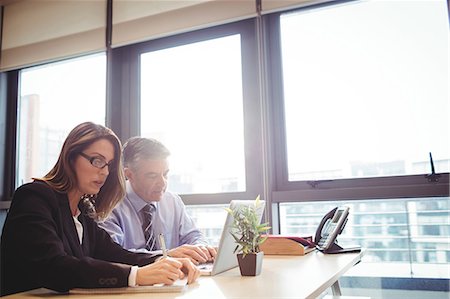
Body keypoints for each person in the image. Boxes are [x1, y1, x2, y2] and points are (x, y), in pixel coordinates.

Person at [0, 122, 199, 296]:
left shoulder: (83, 210)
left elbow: (116, 254)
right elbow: (54, 266)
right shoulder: (34, 197)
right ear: (70, 157)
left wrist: (166, 259)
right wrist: (136, 275)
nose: (104, 172)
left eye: (109, 165)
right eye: (97, 160)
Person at [98, 137, 217, 265]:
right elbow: (114, 254)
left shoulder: (172, 201)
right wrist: (166, 255)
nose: (162, 183)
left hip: (175, 280)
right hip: (133, 282)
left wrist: (200, 249)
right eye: (152, 176)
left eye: (165, 174)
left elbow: (193, 235)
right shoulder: (110, 205)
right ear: (129, 174)